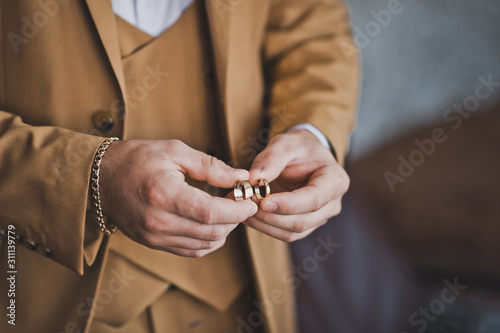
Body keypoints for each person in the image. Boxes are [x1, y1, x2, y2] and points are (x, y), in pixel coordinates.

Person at [0, 0, 359, 332]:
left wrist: (312, 131)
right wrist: (88, 178)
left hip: (248, 299)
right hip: (46, 299)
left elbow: (314, 28)